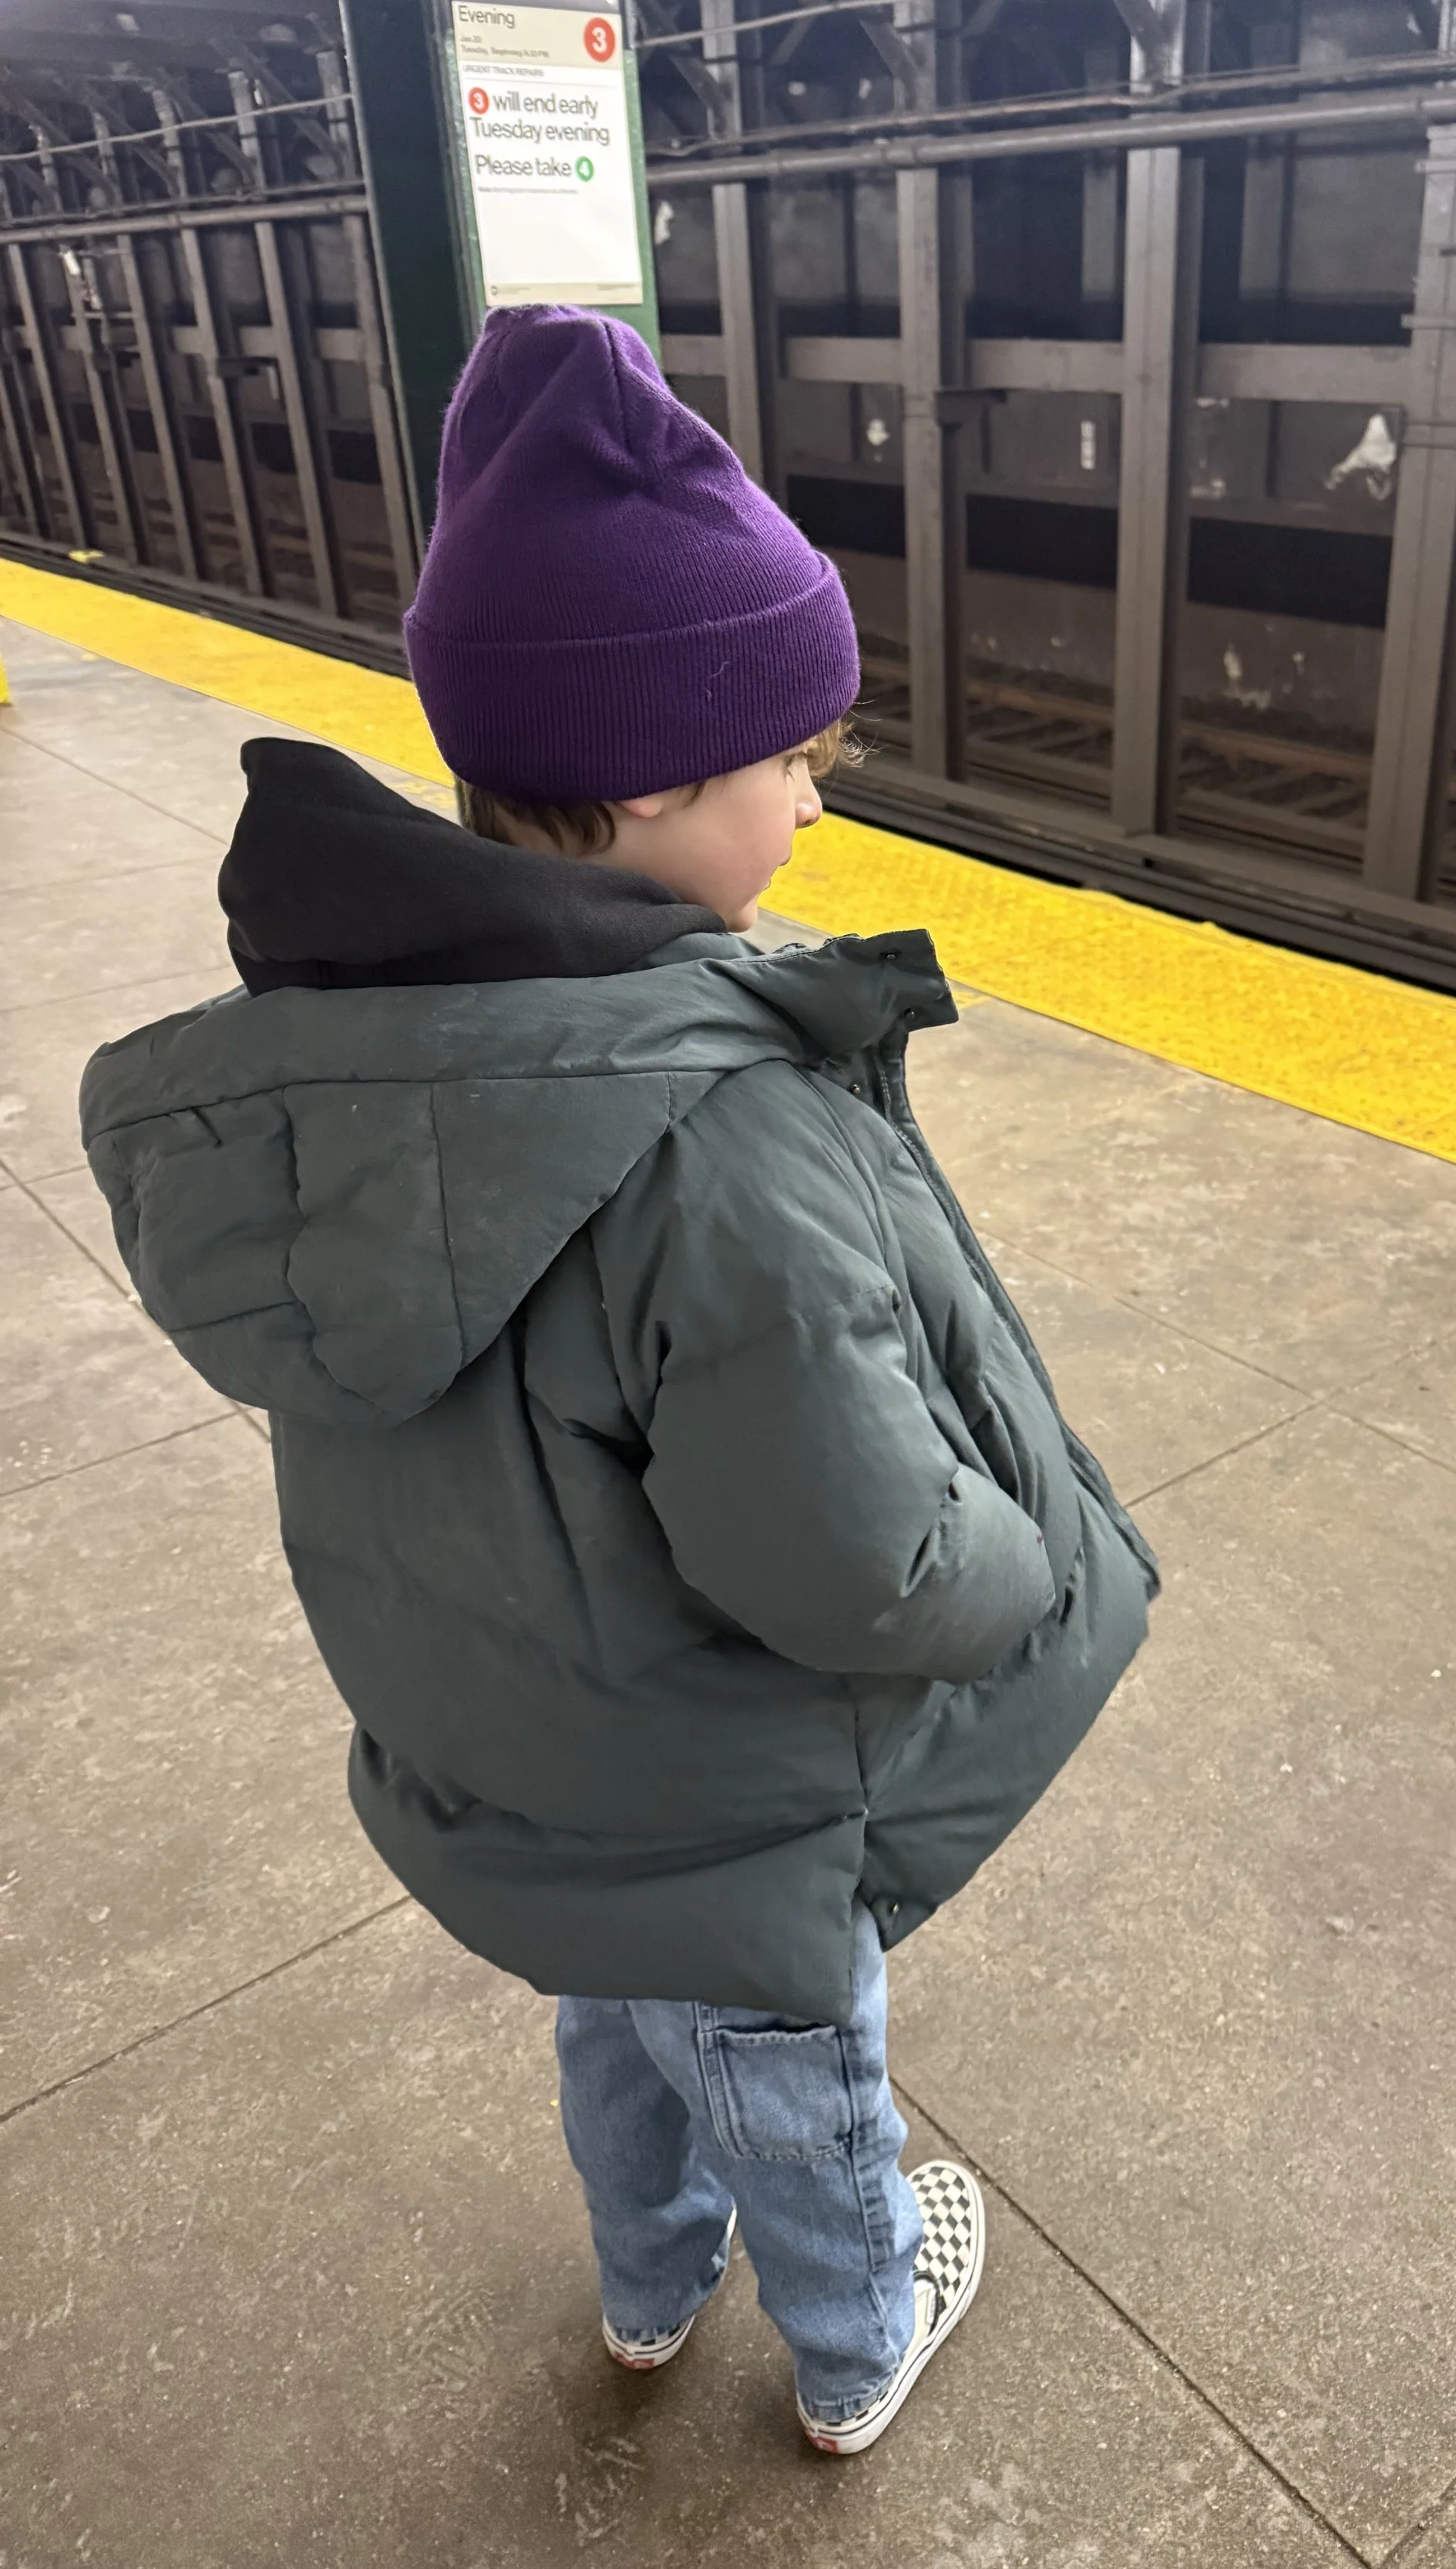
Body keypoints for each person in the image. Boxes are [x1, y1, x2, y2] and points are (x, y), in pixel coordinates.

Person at [78, 305, 1157, 2457]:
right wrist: (1024, 1560)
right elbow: (851, 1555)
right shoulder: (715, 1133)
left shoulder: (355, 1057)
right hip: (715, 1788)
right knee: (794, 2062)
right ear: (661, 774)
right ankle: (854, 2346)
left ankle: (650, 2296)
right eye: (798, 762)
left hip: (526, 1759)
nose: (814, 807)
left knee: (616, 2026)